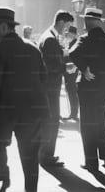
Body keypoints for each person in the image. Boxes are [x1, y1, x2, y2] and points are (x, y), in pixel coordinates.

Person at [0, 8, 49, 192]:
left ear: (4, 27)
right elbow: (44, 78)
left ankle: (4, 178)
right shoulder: (32, 48)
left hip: (5, 109)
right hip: (32, 109)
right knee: (30, 156)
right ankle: (31, 190)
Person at [69, 7, 105, 173]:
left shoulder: (84, 39)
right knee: (102, 122)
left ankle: (91, 162)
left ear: (87, 22)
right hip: (104, 88)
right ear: (99, 22)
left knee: (88, 124)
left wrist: (84, 69)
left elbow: (72, 53)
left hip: (87, 88)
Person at [38, 10, 74, 167]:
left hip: (48, 87)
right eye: (67, 26)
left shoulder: (48, 36)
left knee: (50, 121)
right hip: (50, 87)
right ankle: (46, 156)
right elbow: (51, 65)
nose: (67, 30)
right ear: (61, 23)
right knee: (51, 121)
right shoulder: (50, 39)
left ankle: (44, 154)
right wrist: (66, 68)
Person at [63, 26, 79, 121]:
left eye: (69, 34)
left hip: (72, 72)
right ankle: (73, 113)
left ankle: (74, 113)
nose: (67, 35)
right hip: (68, 71)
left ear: (73, 34)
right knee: (71, 92)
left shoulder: (75, 44)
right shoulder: (70, 43)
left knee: (72, 93)